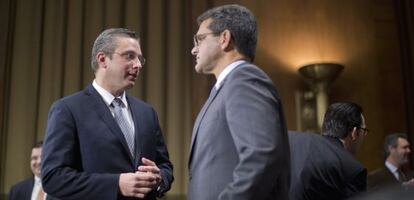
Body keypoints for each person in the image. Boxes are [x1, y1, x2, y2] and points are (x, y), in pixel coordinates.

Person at [41, 28, 173, 200]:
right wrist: (116, 184)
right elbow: (53, 178)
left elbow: (165, 166)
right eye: (129, 56)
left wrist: (160, 178)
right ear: (102, 59)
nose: (138, 65)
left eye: (140, 59)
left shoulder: (147, 113)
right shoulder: (67, 109)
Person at [188, 4, 290, 200]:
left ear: (224, 39)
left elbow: (261, 155)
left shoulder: (244, 79)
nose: (194, 50)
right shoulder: (225, 87)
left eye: (200, 39)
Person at [289, 102, 368, 200]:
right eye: (364, 130)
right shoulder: (353, 169)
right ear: (354, 132)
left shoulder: (292, 140)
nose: (365, 136)